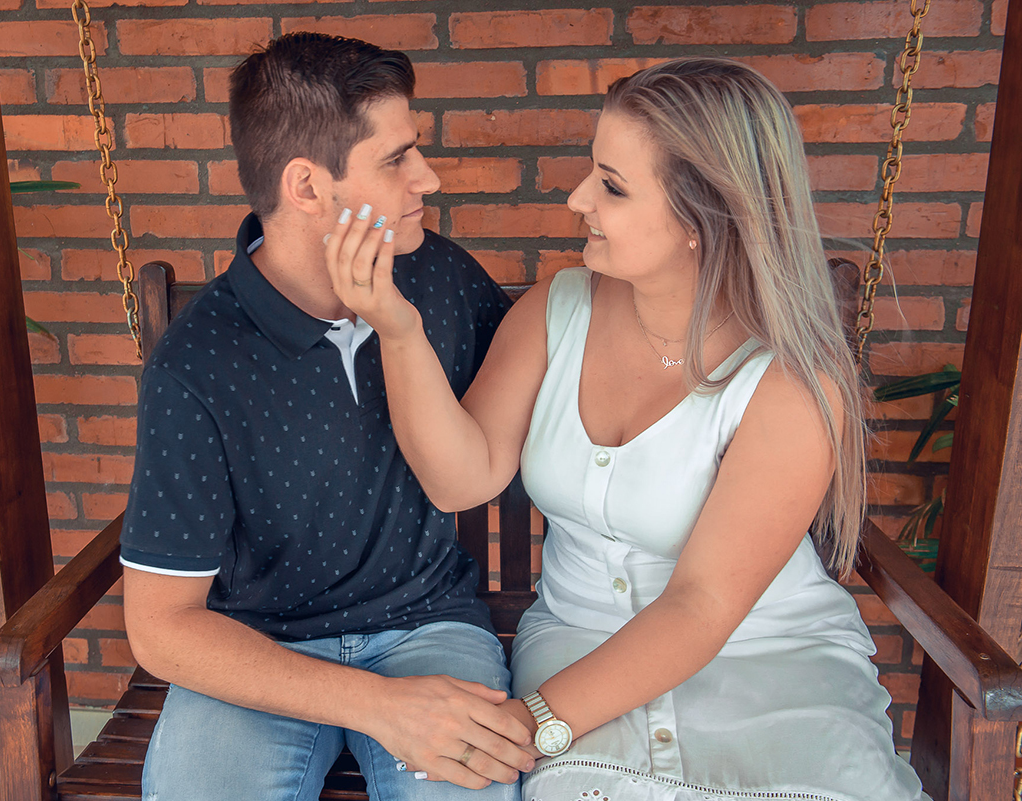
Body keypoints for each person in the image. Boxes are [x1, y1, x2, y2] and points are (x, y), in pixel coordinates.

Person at [328, 57, 929, 801]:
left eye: (612, 185)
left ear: (704, 221)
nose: (578, 198)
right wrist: (395, 327)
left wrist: (533, 722)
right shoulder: (560, 308)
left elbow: (702, 605)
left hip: (766, 660)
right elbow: (460, 477)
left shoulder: (791, 380)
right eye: (592, 171)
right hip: (579, 644)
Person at [119, 32, 535, 800]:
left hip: (428, 626)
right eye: (396, 158)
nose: (428, 178)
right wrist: (381, 706)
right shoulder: (197, 360)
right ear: (308, 186)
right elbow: (161, 626)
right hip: (258, 652)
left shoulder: (440, 278)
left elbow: (520, 419)